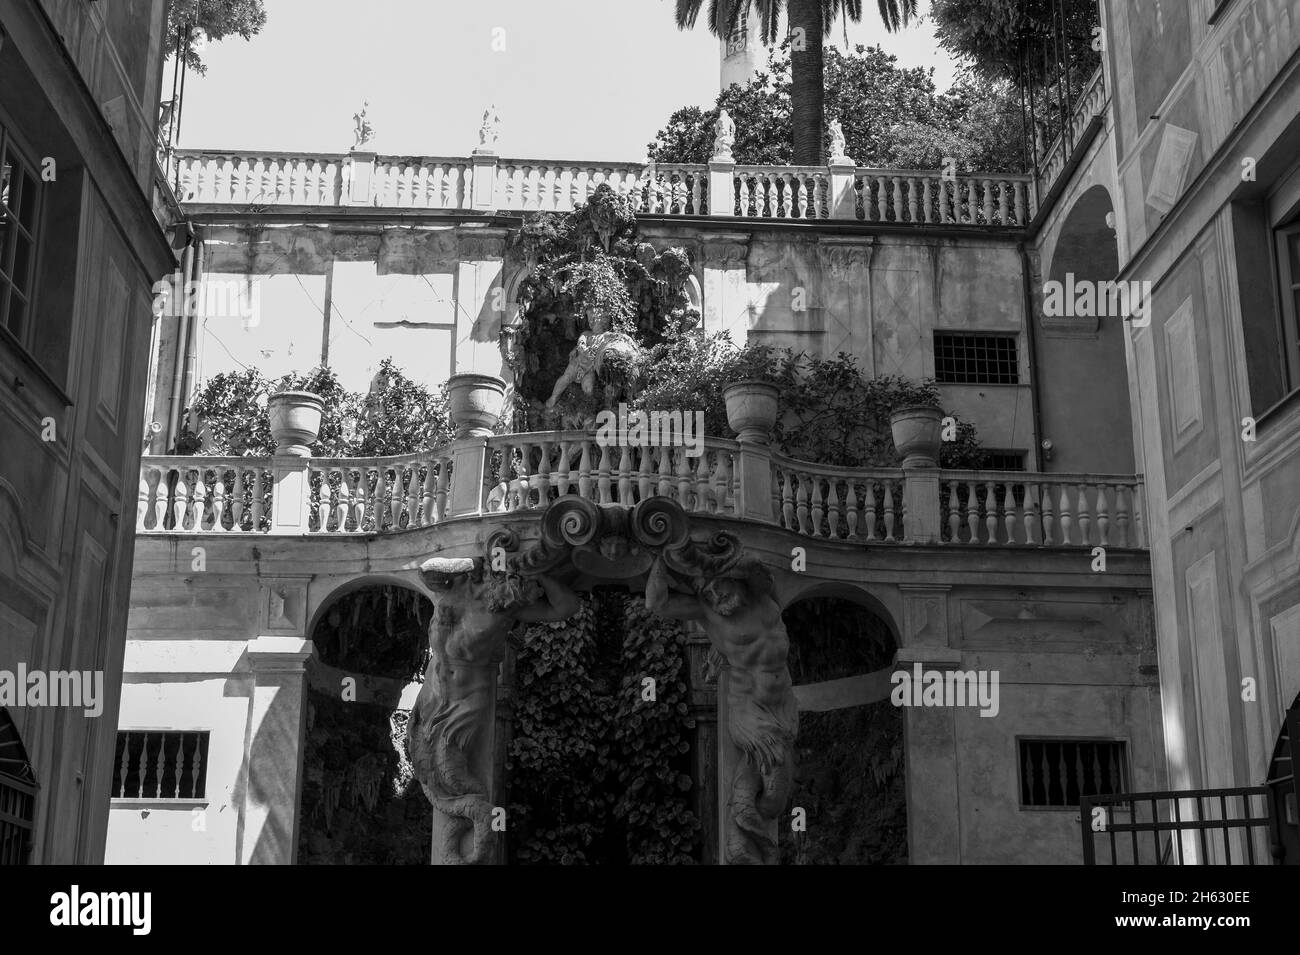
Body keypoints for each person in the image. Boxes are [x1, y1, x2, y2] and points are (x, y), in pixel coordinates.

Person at [407, 558, 579, 863]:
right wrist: (467, 561)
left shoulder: (508, 610)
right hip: (433, 695)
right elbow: (425, 568)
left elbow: (566, 607)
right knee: (426, 766)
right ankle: (465, 819)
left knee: (451, 771)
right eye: (512, 584)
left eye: (520, 587)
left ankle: (474, 829)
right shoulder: (454, 587)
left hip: (465, 704)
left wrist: (541, 573)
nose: (515, 592)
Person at [645, 555, 797, 864]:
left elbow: (759, 566)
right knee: (770, 799)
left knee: (773, 797)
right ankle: (747, 848)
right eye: (708, 594)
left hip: (784, 706)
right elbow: (657, 603)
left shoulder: (764, 595)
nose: (716, 598)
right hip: (750, 711)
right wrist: (659, 556)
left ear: (733, 576)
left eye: (717, 588)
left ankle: (749, 845)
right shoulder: (707, 611)